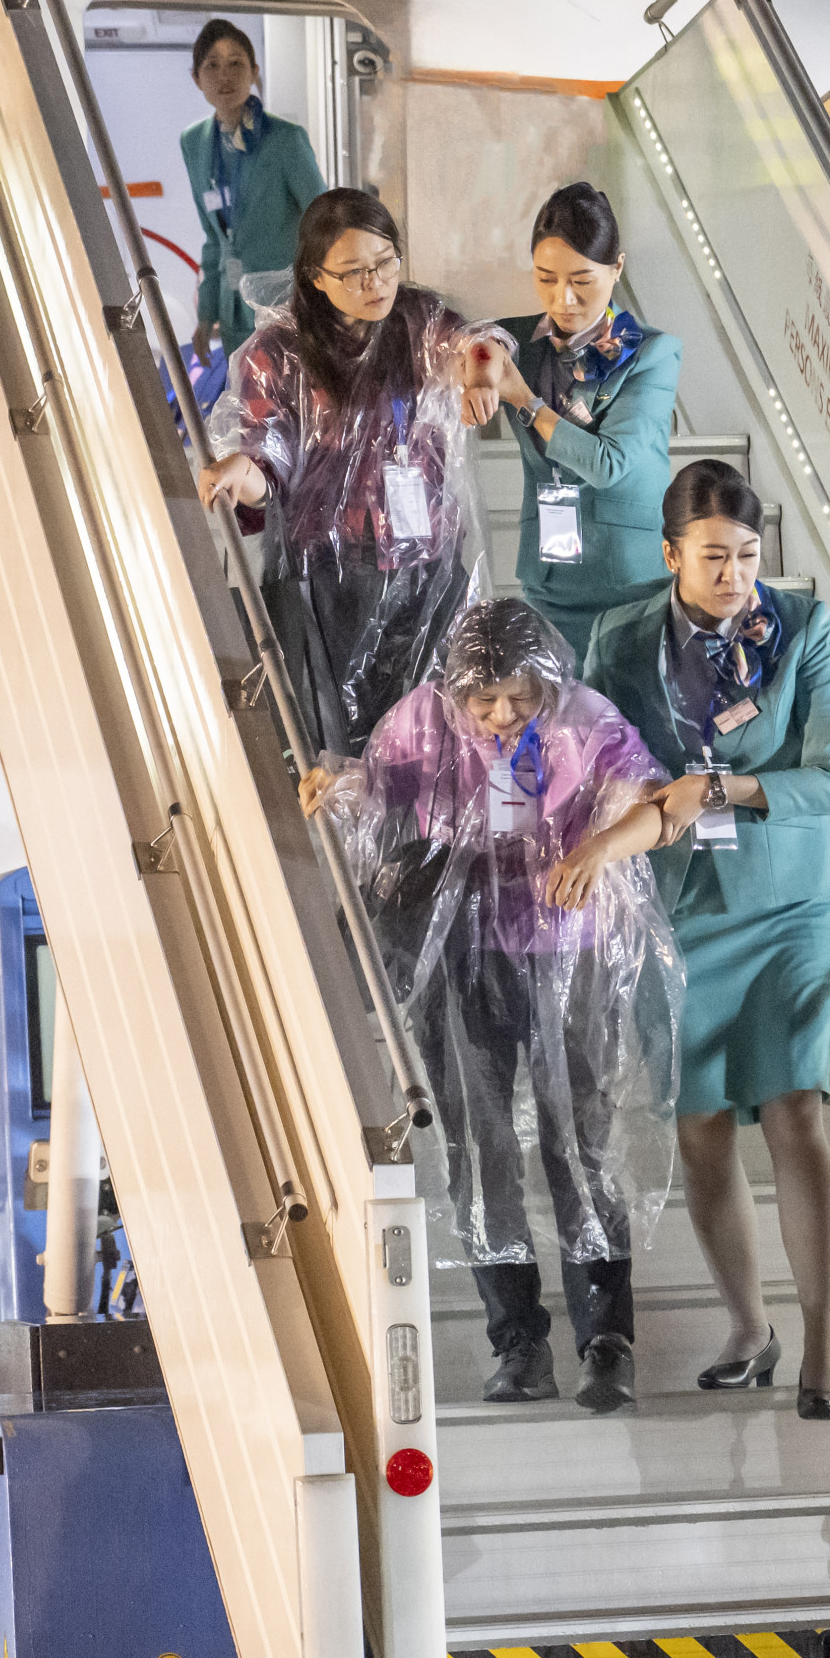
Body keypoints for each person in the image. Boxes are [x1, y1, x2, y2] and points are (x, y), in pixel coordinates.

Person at [313, 601, 682, 1413]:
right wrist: (342, 783)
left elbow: (648, 796)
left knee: (579, 1143)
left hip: (572, 953)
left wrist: (601, 842)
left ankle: (605, 1339)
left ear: (545, 681)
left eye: (518, 696)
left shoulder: (583, 721)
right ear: (456, 692)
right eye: (483, 701)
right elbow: (380, 790)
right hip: (463, 956)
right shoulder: (423, 719)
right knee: (480, 1150)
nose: (501, 715)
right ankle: (517, 1342)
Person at [582, 461, 830, 1419]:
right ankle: (750, 1328)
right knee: (699, 1128)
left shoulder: (802, 627)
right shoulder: (619, 638)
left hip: (789, 903)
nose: (735, 574)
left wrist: (728, 789)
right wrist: (623, 804)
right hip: (681, 907)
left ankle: (824, 1343)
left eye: (747, 554)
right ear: (671, 556)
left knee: (792, 1112)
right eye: (713, 557)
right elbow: (596, 761)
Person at [202, 189, 504, 753]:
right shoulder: (279, 352)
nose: (376, 283)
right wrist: (244, 472)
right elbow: (268, 460)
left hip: (425, 567)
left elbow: (480, 344)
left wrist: (482, 374)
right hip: (328, 579)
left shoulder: (418, 320)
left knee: (431, 741)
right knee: (341, 744)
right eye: (353, 272)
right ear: (315, 277)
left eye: (386, 262)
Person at [481, 183, 682, 662]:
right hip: (550, 575)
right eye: (546, 279)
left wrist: (525, 401)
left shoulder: (651, 354)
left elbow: (607, 464)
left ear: (617, 268)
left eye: (581, 280)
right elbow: (460, 344)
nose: (563, 298)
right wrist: (476, 373)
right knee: (555, 706)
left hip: (630, 580)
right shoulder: (516, 342)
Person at [176, 19, 326, 354]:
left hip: (287, 308)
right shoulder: (194, 142)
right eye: (212, 66)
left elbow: (324, 224)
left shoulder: (286, 140)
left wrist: (324, 305)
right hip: (233, 310)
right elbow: (214, 238)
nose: (224, 76)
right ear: (196, 77)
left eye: (235, 64)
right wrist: (206, 315)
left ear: (254, 72)